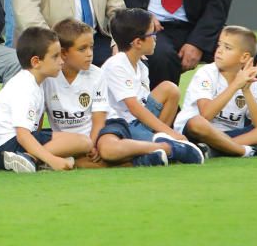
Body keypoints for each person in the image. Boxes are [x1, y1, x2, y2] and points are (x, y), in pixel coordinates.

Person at [46, 19, 170, 168]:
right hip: (72, 139)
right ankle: (141, 160)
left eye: (91, 47)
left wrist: (92, 144)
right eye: (82, 49)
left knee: (107, 150)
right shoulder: (48, 77)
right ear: (64, 53)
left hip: (106, 127)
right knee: (82, 163)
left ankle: (161, 147)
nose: (89, 54)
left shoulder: (97, 75)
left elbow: (99, 119)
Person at [96, 8, 205, 165]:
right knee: (113, 148)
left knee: (170, 88)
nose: (156, 39)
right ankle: (167, 146)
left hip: (139, 122)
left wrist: (164, 130)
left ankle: (155, 144)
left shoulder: (141, 65)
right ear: (138, 42)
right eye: (152, 34)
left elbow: (143, 104)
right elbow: (134, 107)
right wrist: (170, 132)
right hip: (121, 124)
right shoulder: (117, 64)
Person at [0, 26, 93, 173]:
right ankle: (30, 158)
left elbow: (34, 127)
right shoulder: (25, 87)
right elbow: (23, 135)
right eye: (55, 57)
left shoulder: (36, 82)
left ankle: (31, 159)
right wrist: (53, 159)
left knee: (81, 142)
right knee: (83, 142)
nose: (61, 61)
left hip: (6, 147)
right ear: (36, 62)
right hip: (6, 148)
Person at [173, 25, 257, 158]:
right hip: (199, 133)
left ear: (244, 57)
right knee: (197, 123)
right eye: (219, 45)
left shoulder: (247, 77)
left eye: (227, 48)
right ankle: (247, 150)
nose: (219, 51)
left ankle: (219, 149)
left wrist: (246, 91)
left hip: (231, 133)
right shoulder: (206, 73)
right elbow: (205, 115)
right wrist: (235, 85)